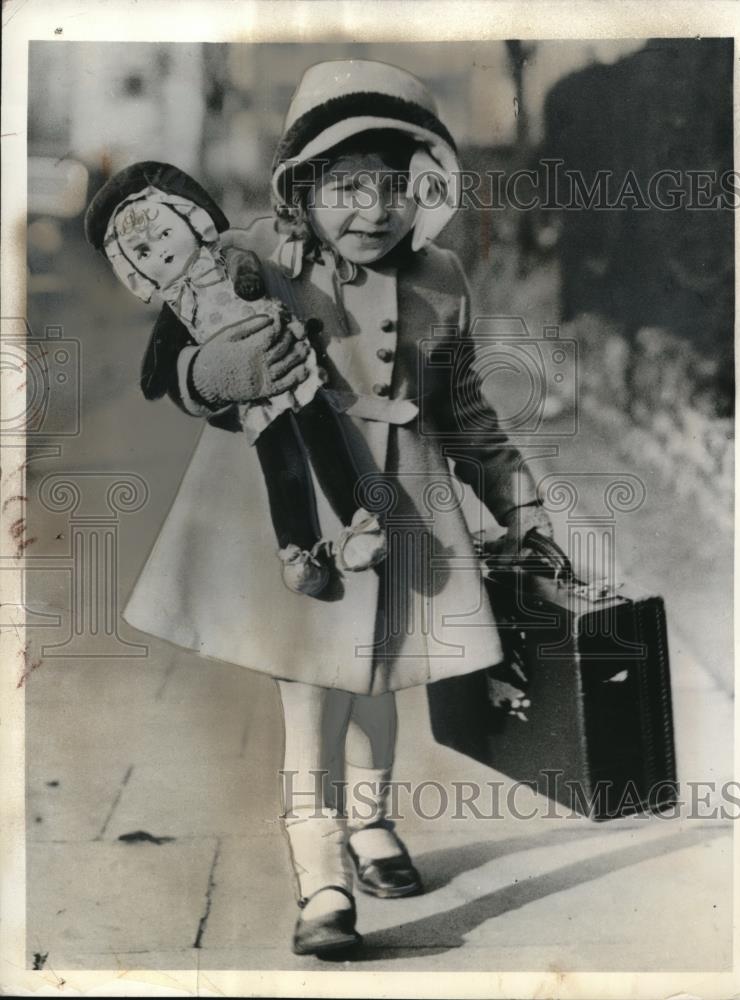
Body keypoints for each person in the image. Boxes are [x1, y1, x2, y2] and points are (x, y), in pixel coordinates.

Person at [117, 60, 553, 956]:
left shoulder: (441, 278)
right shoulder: (259, 262)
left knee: (380, 678)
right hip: (305, 523)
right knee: (309, 696)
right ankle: (319, 877)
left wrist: (523, 509)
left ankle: (372, 823)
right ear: (301, 190)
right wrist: (221, 374)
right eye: (345, 186)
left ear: (419, 191)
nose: (372, 209)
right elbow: (189, 364)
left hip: (403, 517)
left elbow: (463, 408)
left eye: (392, 186)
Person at [84, 161, 386, 597]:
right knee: (281, 468)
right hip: (256, 399)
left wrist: (246, 278)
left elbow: (245, 267)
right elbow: (168, 368)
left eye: (166, 234)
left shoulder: (229, 255)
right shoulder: (179, 300)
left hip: (295, 367)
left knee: (324, 442)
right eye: (144, 253)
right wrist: (211, 374)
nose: (162, 253)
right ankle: (299, 550)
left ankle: (357, 523)